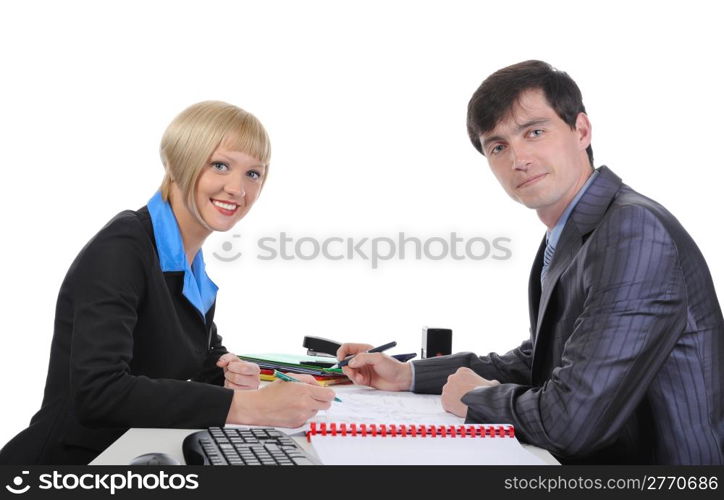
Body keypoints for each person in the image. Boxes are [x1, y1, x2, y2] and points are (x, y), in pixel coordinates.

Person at [337, 60, 724, 464]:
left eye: (534, 132)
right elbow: (539, 359)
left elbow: (571, 422)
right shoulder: (575, 231)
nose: (518, 159)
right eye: (498, 146)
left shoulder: (633, 230)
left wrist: (475, 397)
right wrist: (409, 375)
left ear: (581, 131)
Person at [0, 101, 335, 465]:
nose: (238, 189)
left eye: (253, 174)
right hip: (67, 463)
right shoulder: (122, 249)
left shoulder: (186, 254)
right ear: (179, 163)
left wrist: (226, 368)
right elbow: (99, 391)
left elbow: (193, 348)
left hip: (132, 454)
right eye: (220, 165)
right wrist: (246, 406)